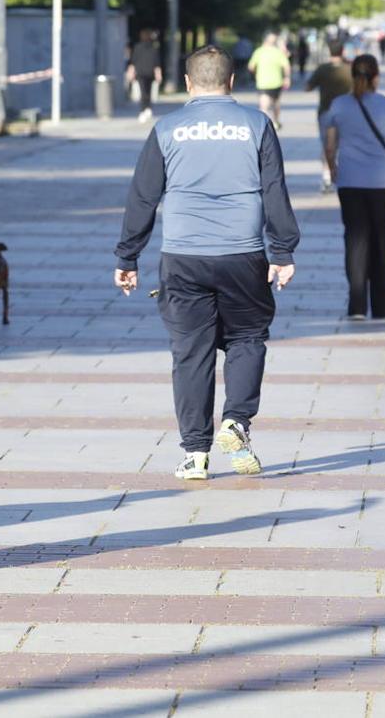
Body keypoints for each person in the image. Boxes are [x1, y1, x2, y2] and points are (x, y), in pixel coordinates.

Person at [114, 44, 300, 482]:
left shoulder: (168, 127)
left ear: (187, 83)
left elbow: (143, 196)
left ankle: (195, 454)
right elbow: (274, 191)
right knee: (248, 337)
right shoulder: (257, 124)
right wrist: (283, 251)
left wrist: (128, 256)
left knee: (190, 353)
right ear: (232, 82)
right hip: (242, 254)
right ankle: (236, 421)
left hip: (182, 256)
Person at [322, 54, 385, 320]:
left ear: (354, 76)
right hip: (382, 183)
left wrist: (333, 169)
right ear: (376, 77)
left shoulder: (338, 105)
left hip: (349, 182)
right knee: (380, 240)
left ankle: (357, 305)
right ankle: (383, 304)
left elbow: (330, 146)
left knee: (355, 240)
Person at [305, 41, 351, 192]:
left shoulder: (322, 69)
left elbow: (308, 87)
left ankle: (326, 177)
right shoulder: (350, 69)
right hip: (346, 112)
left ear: (329, 51)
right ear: (343, 50)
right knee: (346, 145)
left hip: (326, 111)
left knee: (327, 146)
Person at [248, 33, 291, 130]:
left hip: (262, 82)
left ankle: (264, 125)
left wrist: (256, 73)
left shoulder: (258, 52)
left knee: (264, 106)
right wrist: (287, 78)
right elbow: (286, 66)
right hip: (276, 82)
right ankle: (275, 121)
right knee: (276, 103)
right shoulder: (278, 52)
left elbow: (251, 67)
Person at [126, 29, 163, 124]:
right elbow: (156, 63)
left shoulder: (137, 47)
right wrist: (158, 74)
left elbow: (133, 61)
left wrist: (130, 72)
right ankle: (148, 108)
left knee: (143, 92)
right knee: (149, 91)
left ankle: (143, 110)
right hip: (150, 72)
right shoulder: (154, 48)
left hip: (140, 73)